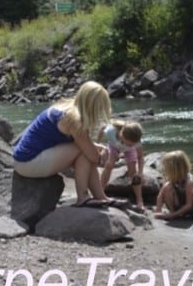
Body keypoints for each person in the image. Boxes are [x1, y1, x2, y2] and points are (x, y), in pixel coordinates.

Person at [12, 80, 121, 208]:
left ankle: (101, 197)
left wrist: (98, 147)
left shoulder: (66, 106)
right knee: (83, 152)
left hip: (23, 158)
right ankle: (83, 197)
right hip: (28, 162)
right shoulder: (75, 120)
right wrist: (105, 155)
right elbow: (93, 157)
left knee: (83, 149)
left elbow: (73, 140)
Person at [100, 120, 146, 210]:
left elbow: (140, 157)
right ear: (121, 134)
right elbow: (102, 128)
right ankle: (100, 192)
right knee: (109, 165)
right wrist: (99, 143)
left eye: (132, 144)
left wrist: (140, 173)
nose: (129, 145)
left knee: (133, 172)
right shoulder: (111, 132)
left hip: (129, 151)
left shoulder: (136, 142)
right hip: (114, 146)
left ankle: (140, 200)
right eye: (128, 143)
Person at [154, 149, 193, 220]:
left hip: (191, 207)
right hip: (179, 204)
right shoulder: (170, 178)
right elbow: (160, 196)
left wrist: (172, 216)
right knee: (167, 186)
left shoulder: (189, 181)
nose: (164, 169)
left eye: (166, 167)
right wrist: (158, 210)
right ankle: (172, 212)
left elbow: (189, 205)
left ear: (174, 168)